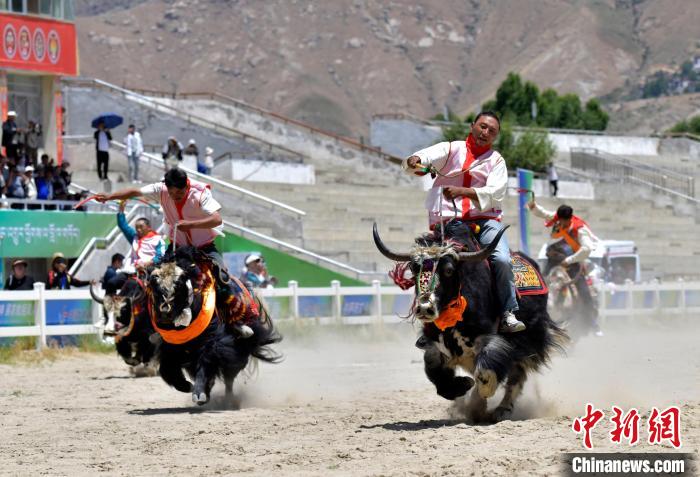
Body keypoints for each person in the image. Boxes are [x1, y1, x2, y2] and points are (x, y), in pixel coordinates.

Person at [94, 168, 254, 337]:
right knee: (155, 279)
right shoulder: (161, 189)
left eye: (179, 192)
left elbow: (217, 219)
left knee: (223, 278)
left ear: (187, 186)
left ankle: (235, 322)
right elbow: (135, 191)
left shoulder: (200, 193)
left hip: (204, 247)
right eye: (171, 193)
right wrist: (109, 196)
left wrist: (191, 224)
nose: (175, 196)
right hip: (177, 247)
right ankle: (156, 327)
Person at [403, 111, 525, 333]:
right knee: (428, 262)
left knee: (502, 259)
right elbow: (424, 157)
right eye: (482, 126)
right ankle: (428, 323)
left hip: (485, 222)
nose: (485, 132)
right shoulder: (450, 149)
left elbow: (496, 193)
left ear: (495, 136)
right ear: (472, 126)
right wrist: (416, 160)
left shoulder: (497, 161)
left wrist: (462, 191)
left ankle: (508, 312)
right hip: (449, 224)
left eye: (492, 131)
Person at [527, 200, 602, 336]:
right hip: (552, 260)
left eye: (564, 221)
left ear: (570, 218)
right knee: (539, 285)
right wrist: (534, 207)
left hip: (572, 264)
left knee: (584, 292)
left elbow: (586, 249)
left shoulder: (580, 229)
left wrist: (569, 260)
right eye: (560, 220)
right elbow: (544, 214)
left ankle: (592, 323)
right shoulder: (557, 218)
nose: (561, 224)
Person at [103, 200, 165, 295]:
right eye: (136, 227)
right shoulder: (134, 237)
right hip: (131, 270)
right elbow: (123, 226)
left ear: (149, 227)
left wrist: (146, 264)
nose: (138, 229)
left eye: (141, 227)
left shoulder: (158, 239)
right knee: (111, 283)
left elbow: (160, 256)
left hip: (149, 271)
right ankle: (111, 303)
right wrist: (121, 209)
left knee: (134, 288)